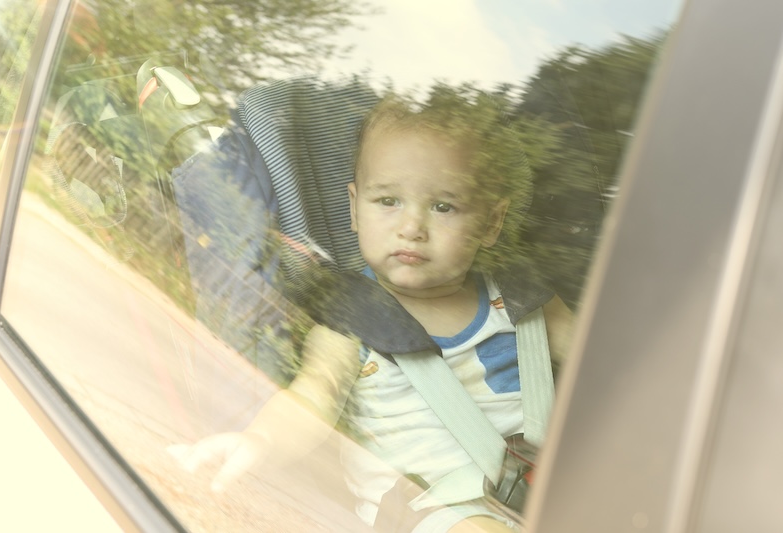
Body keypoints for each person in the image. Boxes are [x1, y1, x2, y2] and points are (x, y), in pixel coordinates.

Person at [169, 91, 574, 533]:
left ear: (491, 223)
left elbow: (610, 367)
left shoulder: (521, 299)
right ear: (354, 207)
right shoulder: (354, 318)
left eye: (443, 206)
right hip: (426, 506)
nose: (412, 227)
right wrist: (261, 440)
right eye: (388, 202)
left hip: (551, 488)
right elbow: (315, 393)